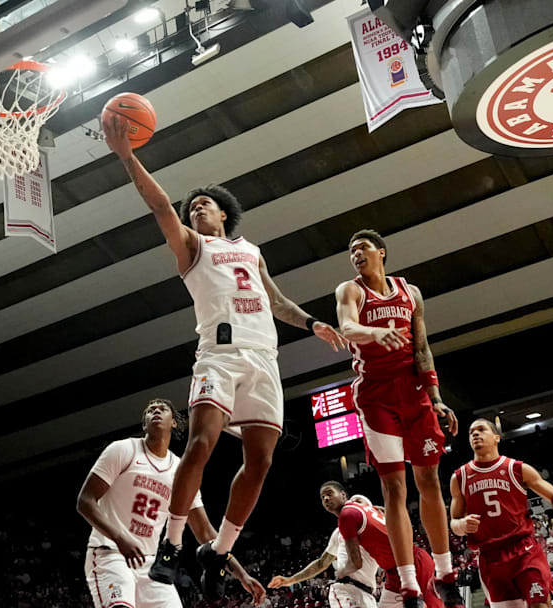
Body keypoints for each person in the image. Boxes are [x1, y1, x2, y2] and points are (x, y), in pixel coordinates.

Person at [101, 114, 345, 598]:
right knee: (201, 443)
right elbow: (158, 206)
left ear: (225, 214)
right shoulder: (191, 247)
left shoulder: (250, 251)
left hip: (264, 359)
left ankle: (216, 550)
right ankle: (171, 544)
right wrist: (128, 158)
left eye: (204, 205)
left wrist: (312, 322)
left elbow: (275, 300)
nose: (196, 209)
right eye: (191, 206)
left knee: (261, 461)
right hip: (220, 354)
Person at [333, 229, 461, 608]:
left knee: (430, 481)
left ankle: (446, 574)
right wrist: (376, 332)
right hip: (376, 396)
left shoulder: (411, 292)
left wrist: (437, 398)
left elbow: (422, 348)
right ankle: (409, 586)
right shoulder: (350, 290)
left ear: (381, 253)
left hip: (416, 393)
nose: (356, 254)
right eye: (351, 250)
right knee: (394, 489)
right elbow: (348, 327)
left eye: (363, 248)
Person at [76, 399, 264, 608]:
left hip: (150, 563)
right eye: (150, 410)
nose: (155, 410)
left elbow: (205, 532)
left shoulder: (180, 471)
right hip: (109, 552)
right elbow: (85, 501)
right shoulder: (122, 450)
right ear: (144, 425)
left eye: (162, 408)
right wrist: (120, 538)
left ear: (174, 423)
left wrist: (241, 575)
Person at [449, 419, 553, 608]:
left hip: (523, 550)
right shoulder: (460, 477)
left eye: (481, 430)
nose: (475, 434)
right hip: (490, 558)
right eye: (471, 432)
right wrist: (461, 525)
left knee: (540, 604)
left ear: (496, 437)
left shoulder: (516, 469)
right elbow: (454, 522)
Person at [323, 481, 444, 608]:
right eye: (323, 497)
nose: (326, 499)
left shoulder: (348, 515)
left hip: (411, 563)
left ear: (343, 495)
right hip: (395, 571)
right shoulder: (374, 513)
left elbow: (355, 563)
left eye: (329, 494)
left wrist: (341, 572)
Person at [267, 488, 385, 608]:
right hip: (346, 589)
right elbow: (321, 563)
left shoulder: (378, 533)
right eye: (352, 502)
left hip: (368, 594)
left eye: (358, 502)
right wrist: (290, 580)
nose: (353, 505)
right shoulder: (340, 532)